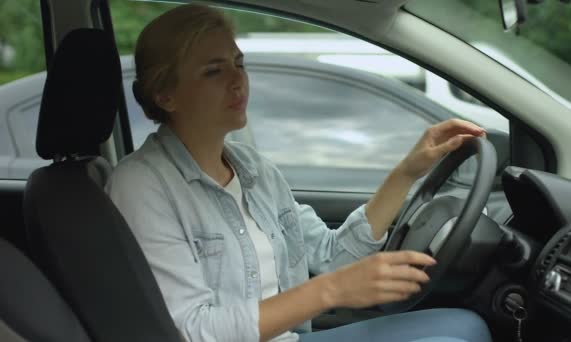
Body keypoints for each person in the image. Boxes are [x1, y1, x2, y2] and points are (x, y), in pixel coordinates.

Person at [106, 4, 492, 342]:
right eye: (213, 71)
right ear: (165, 95)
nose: (238, 80)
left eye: (238, 64)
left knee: (465, 325)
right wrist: (333, 290)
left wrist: (408, 172)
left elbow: (332, 257)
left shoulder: (253, 168)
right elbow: (192, 331)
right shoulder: (141, 185)